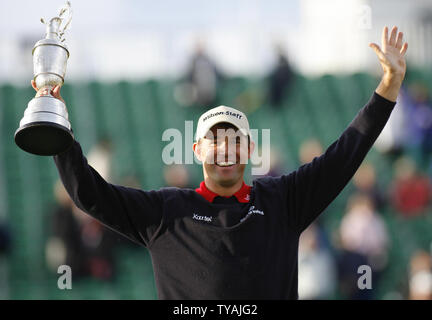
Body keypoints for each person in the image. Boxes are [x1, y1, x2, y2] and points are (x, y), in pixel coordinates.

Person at [32, 26, 407, 299]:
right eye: (215, 140)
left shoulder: (284, 200)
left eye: (234, 140)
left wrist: (387, 89)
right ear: (197, 150)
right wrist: (57, 130)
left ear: (248, 150)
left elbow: (345, 154)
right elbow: (89, 194)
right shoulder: (165, 211)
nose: (224, 148)